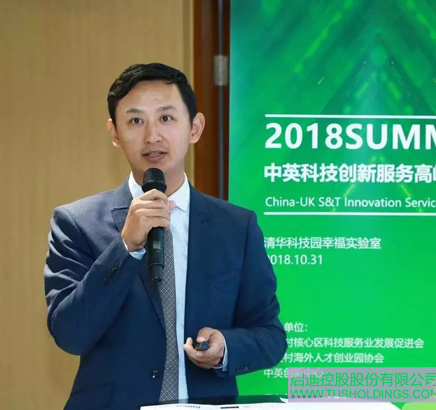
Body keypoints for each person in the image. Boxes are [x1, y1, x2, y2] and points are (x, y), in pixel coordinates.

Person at [44, 63, 287, 410]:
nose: (152, 136)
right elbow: (70, 334)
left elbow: (271, 336)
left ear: (195, 127)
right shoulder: (76, 222)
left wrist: (226, 348)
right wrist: (125, 248)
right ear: (115, 133)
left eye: (166, 118)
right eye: (135, 121)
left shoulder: (236, 227)